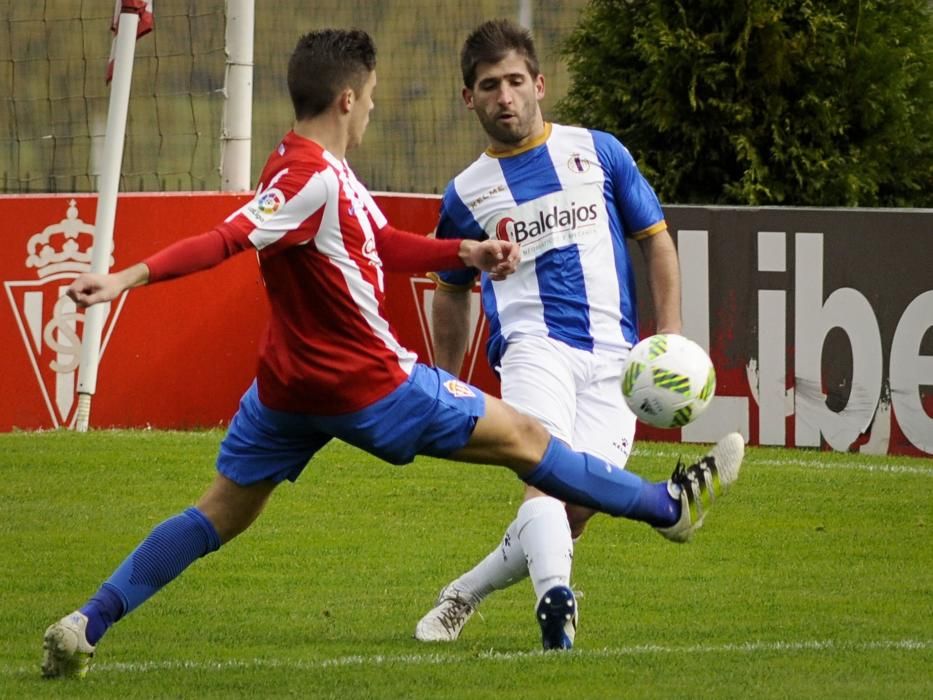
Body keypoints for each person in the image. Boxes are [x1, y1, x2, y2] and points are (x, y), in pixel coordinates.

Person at [42, 28, 743, 680]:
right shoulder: (310, 180)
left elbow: (378, 241)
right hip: (368, 384)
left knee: (218, 513)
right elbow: (224, 239)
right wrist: (126, 277)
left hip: (285, 391)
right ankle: (664, 506)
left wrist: (463, 252)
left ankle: (86, 623)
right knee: (529, 440)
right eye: (372, 98)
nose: (374, 109)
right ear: (348, 100)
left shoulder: (304, 164)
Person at [414, 19, 741, 651]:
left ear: (539, 84)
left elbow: (656, 240)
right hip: (533, 349)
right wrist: (446, 382)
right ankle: (556, 610)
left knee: (575, 510)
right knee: (545, 473)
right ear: (469, 99)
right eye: (488, 86)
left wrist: (668, 334)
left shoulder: (600, 150)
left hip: (617, 360)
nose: (504, 96)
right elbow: (453, 289)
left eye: (514, 81)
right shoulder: (465, 194)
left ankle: (464, 594)